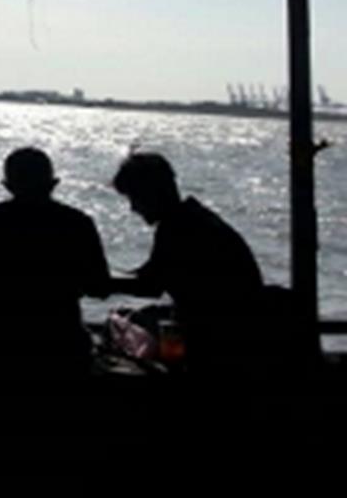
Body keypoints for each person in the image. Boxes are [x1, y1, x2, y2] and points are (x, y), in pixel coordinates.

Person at [106, 152, 271, 371]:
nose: (133, 208)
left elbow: (149, 285)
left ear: (151, 192)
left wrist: (99, 281)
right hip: (239, 333)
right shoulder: (192, 218)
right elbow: (150, 275)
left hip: (219, 342)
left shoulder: (178, 229)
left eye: (134, 198)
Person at [0, 147, 111, 374]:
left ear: (7, 185)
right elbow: (99, 287)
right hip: (61, 340)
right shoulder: (77, 223)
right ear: (52, 184)